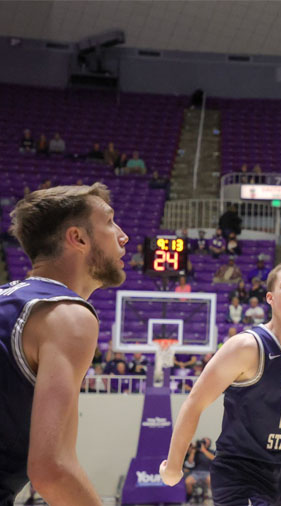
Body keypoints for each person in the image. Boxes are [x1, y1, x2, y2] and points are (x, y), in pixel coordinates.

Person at [159, 263, 281, 506]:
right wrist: (173, 466)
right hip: (238, 472)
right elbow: (195, 402)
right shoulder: (246, 347)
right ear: (270, 298)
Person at [1, 183, 128, 503]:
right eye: (110, 222)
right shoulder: (67, 315)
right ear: (79, 238)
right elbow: (52, 469)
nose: (123, 236)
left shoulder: (10, 300)